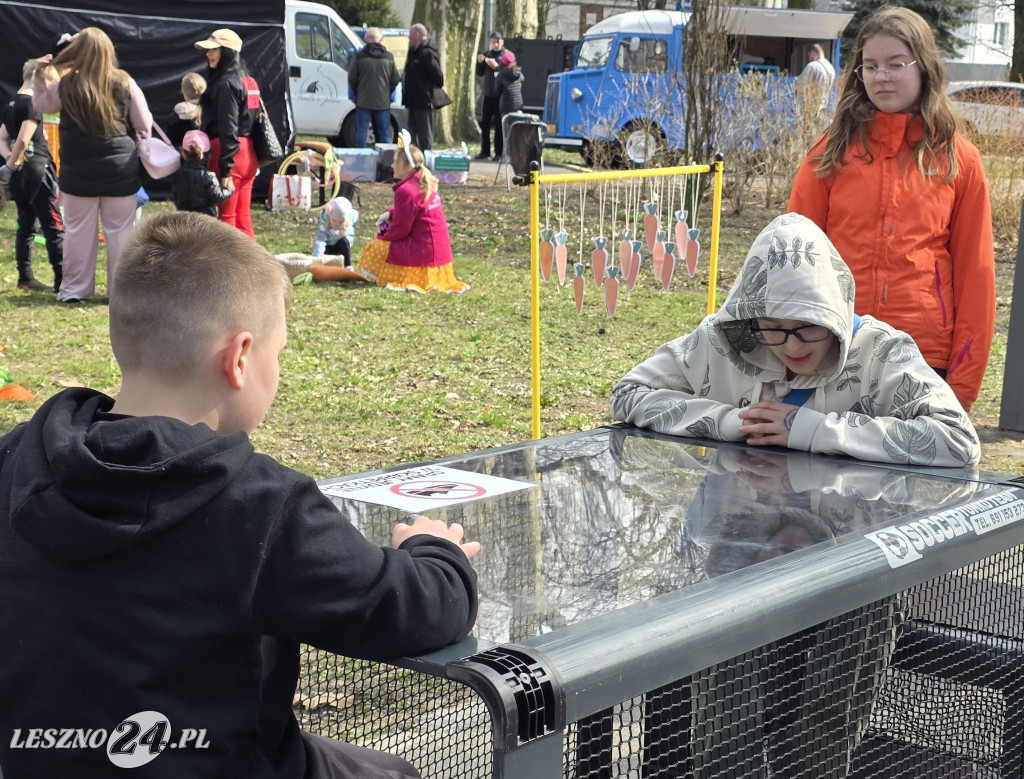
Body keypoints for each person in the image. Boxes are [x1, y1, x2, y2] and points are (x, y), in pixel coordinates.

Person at [0, 211, 480, 778]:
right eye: (277, 355)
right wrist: (435, 551)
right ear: (240, 358)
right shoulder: (260, 505)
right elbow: (415, 610)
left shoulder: (16, 460)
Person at [610, 212, 980, 468]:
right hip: (735, 545)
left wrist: (815, 430)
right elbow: (627, 393)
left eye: (809, 326)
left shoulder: (881, 351)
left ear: (834, 314)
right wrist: (728, 422)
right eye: (773, 328)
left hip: (840, 550)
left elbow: (959, 441)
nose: (793, 346)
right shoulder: (723, 338)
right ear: (749, 318)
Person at [787, 6, 995, 413]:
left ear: (924, 67)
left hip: (923, 358)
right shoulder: (829, 152)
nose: (881, 75)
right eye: (870, 65)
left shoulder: (959, 160)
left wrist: (961, 390)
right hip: (836, 350)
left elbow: (977, 280)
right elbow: (793, 265)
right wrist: (793, 354)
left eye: (895, 64)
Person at [32, 27, 152, 303]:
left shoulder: (68, 84)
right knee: (120, 233)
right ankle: (120, 292)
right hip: (120, 171)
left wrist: (39, 75)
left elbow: (43, 105)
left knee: (76, 233)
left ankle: (74, 290)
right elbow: (144, 123)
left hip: (78, 172)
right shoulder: (125, 81)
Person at [358, 129, 469, 293]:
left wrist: (383, 236)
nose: (392, 165)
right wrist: (391, 213)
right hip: (440, 256)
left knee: (375, 247)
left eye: (395, 162)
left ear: (409, 166)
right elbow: (416, 210)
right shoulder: (425, 182)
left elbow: (401, 228)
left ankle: (400, 275)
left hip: (424, 255)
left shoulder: (406, 191)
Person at [0, 58, 63, 293]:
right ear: (41, 80)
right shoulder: (32, 103)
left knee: (26, 224)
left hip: (21, 175)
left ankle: (25, 276)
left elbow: (2, 138)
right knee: (53, 226)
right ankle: (62, 280)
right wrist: (14, 161)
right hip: (38, 171)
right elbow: (24, 138)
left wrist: (10, 160)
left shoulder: (12, 103)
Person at [195, 28, 259, 239]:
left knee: (226, 221)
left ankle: (230, 262)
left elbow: (228, 127)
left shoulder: (225, 84)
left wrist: (225, 171)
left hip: (228, 154)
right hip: (248, 154)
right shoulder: (249, 80)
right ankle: (254, 261)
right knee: (243, 218)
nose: (208, 54)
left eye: (213, 49)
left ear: (227, 52)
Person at [348, 27, 398, 148]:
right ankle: (386, 158)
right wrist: (387, 94)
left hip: (363, 101)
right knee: (384, 133)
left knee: (361, 131)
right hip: (383, 103)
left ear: (366, 39)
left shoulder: (359, 56)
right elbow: (395, 80)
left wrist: (357, 94)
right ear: (380, 39)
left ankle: (360, 157)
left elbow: (352, 79)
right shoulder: (389, 57)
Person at [402, 23, 448, 152]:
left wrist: (429, 92)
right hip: (412, 99)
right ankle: (413, 156)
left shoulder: (427, 52)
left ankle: (425, 157)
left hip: (423, 99)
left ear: (416, 34)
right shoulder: (414, 53)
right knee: (411, 132)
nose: (409, 37)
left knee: (424, 133)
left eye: (410, 34)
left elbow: (438, 75)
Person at [170, 128, 233, 216]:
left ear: (183, 154)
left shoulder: (178, 176)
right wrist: (229, 189)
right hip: (206, 219)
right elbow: (218, 196)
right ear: (209, 155)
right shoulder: (208, 176)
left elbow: (176, 197)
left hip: (185, 217)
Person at [475, 31, 507, 160]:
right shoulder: (487, 54)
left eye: (498, 42)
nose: (496, 44)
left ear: (502, 42)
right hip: (488, 95)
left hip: (500, 96)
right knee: (485, 124)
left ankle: (499, 152)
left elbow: (509, 72)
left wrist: (497, 66)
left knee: (499, 126)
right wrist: (480, 62)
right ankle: (485, 150)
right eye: (493, 42)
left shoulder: (506, 55)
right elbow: (480, 73)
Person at [313, 196, 359, 266]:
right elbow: (320, 240)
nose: (337, 224)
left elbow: (350, 236)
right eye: (334, 220)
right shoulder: (325, 224)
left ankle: (348, 266)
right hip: (327, 246)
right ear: (329, 217)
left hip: (340, 246)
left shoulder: (348, 222)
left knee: (344, 242)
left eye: (340, 222)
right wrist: (318, 256)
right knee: (321, 250)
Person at [494, 50, 524, 158]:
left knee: (506, 133)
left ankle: (507, 155)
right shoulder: (519, 74)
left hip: (506, 107)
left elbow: (496, 91)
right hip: (518, 105)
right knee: (516, 132)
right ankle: (517, 155)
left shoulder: (501, 75)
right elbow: (522, 80)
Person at [167, 71, 206, 148]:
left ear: (184, 93)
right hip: (209, 154)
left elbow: (171, 143)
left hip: (182, 154)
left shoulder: (174, 118)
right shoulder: (212, 113)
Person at [795, 42, 836, 114]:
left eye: (809, 55)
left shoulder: (812, 66)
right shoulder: (831, 68)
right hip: (823, 106)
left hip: (810, 107)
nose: (809, 58)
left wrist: (796, 81)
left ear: (813, 54)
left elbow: (801, 85)